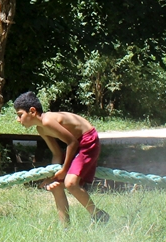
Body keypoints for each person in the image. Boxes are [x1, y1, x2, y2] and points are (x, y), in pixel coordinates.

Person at [13, 91, 109, 226]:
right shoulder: (41, 129)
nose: (18, 120)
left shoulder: (47, 121)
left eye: (20, 115)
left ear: (32, 111)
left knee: (70, 183)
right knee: (55, 186)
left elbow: (72, 143)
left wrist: (64, 169)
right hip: (76, 144)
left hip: (87, 141)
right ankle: (65, 227)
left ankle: (98, 215)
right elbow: (57, 153)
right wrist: (52, 176)